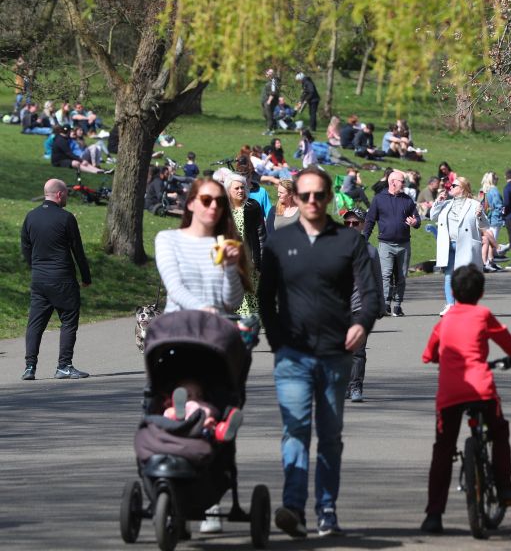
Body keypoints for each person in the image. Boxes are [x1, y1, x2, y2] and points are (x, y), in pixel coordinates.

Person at [258, 167, 379, 539]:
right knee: (295, 429)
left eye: (318, 195)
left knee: (329, 435)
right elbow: (266, 297)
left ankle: (326, 508)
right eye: (304, 195)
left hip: (334, 354)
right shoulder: (279, 242)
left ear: (329, 199)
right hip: (292, 355)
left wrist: (361, 324)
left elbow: (371, 295)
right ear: (296, 196)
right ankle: (293, 507)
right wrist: (278, 342)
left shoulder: (349, 241)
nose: (311, 201)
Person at [419, 265, 511, 534]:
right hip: (481, 389)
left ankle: (434, 514)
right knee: (499, 432)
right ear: (481, 292)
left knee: (443, 450)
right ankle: (504, 487)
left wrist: (438, 357)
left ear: (453, 292)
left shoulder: (444, 321)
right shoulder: (483, 315)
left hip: (450, 393)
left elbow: (428, 354)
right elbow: (510, 345)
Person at [20, 179, 92, 381]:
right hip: (63, 279)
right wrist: (86, 277)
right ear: (59, 195)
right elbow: (78, 250)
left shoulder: (30, 217)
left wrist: (35, 267)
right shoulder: (66, 218)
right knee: (68, 321)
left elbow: (25, 247)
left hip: (39, 280)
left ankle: (29, 367)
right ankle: (64, 366)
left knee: (35, 323)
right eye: (66, 194)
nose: (67, 197)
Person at [155, 178, 249, 314]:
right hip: (180, 327)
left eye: (220, 201)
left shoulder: (227, 243)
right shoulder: (168, 239)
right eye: (206, 200)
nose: (214, 206)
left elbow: (233, 303)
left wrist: (230, 267)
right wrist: (203, 309)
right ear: (191, 204)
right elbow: (175, 288)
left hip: (217, 330)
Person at [362, 170, 421, 317]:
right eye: (402, 181)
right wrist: (364, 238)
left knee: (401, 276)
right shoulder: (379, 199)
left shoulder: (407, 200)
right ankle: (386, 304)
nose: (404, 184)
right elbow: (370, 220)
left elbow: (417, 219)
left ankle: (398, 305)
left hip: (404, 244)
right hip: (386, 244)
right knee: (385, 275)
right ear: (392, 181)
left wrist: (415, 222)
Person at [342, 208, 385, 402]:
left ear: (362, 225)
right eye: (347, 223)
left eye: (355, 223)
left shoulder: (370, 251)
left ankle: (356, 386)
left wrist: (380, 305)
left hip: (361, 308)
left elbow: (377, 279)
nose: (350, 226)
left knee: (357, 351)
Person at [430, 177, 489, 316]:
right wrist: (438, 201)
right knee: (449, 275)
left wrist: (480, 215)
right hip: (449, 244)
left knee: (466, 277)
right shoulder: (446, 203)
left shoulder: (474, 204)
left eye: (454, 185)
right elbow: (432, 216)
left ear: (462, 188)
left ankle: (466, 306)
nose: (450, 187)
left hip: (466, 244)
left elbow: (484, 225)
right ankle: (451, 305)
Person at [225, 173, 266, 316]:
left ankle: (249, 324)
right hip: (229, 259)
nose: (240, 191)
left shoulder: (252, 207)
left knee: (249, 295)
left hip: (249, 259)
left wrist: (260, 260)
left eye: (242, 187)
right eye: (236, 188)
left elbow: (261, 235)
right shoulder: (223, 210)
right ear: (229, 190)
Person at [261, 68, 280, 133]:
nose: (267, 73)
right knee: (265, 114)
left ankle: (269, 129)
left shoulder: (273, 81)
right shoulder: (269, 81)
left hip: (270, 101)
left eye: (269, 72)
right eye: (267, 72)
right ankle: (274, 127)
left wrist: (269, 101)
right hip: (265, 101)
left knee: (269, 115)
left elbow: (273, 92)